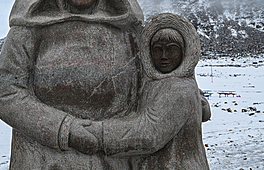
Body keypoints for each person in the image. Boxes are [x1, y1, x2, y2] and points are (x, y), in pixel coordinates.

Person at [0, 0, 144, 169]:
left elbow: (157, 78)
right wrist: (65, 129)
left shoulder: (129, 32)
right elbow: (7, 93)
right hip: (44, 161)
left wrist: (184, 97)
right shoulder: (31, 30)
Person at [72, 13, 210, 169]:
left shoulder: (179, 89)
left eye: (172, 50)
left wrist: (98, 133)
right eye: (158, 50)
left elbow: (149, 134)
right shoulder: (158, 82)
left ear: (184, 53)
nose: (164, 56)